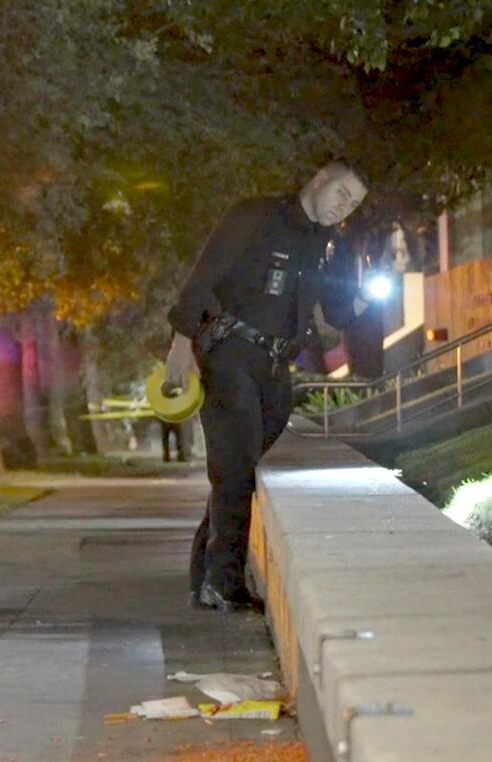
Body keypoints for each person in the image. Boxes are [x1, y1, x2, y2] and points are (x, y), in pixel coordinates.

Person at [165, 161, 370, 612]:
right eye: (342, 193)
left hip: (276, 368)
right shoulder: (255, 217)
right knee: (235, 469)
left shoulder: (325, 245)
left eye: (353, 204)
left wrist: (363, 286)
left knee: (239, 468)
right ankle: (224, 583)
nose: (344, 207)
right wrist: (180, 346)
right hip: (230, 354)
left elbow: (336, 313)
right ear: (319, 180)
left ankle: (207, 573)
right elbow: (203, 278)